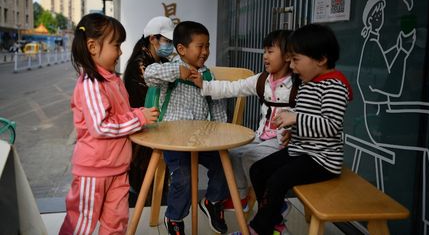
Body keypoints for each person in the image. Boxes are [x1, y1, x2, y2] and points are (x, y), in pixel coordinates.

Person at [244, 24, 353, 235]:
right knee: (258, 170)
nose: (292, 66)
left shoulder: (335, 86)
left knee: (277, 180)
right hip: (301, 151)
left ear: (321, 59)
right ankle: (276, 215)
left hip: (321, 160)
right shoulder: (308, 82)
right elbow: (309, 120)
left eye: (296, 60)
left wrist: (295, 118)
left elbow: (330, 125)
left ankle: (260, 228)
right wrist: (292, 131)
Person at [59, 13, 159, 234]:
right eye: (116, 45)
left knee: (116, 222)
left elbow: (120, 113)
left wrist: (138, 112)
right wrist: (138, 118)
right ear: (93, 46)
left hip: (118, 168)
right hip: (94, 171)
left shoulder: (112, 80)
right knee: (82, 224)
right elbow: (101, 126)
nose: (121, 51)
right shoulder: (91, 84)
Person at [190, 29, 299, 212]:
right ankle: (241, 197)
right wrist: (205, 85)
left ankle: (276, 204)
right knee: (232, 153)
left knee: (250, 157)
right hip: (262, 136)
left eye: (270, 52)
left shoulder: (297, 85)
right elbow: (233, 88)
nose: (265, 56)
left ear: (288, 56)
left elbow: (306, 113)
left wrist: (293, 130)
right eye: (264, 51)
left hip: (282, 143)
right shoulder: (262, 80)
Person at [144, 21, 229, 235]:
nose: (205, 51)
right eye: (200, 46)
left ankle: (212, 201)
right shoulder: (169, 69)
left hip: (200, 138)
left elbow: (217, 108)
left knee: (225, 163)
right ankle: (174, 217)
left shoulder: (208, 75)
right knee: (183, 177)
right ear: (181, 49)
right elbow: (149, 74)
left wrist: (223, 136)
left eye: (207, 46)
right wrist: (176, 70)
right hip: (173, 139)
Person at [123, 16, 175, 203]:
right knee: (146, 177)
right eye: (166, 41)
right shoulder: (141, 65)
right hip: (143, 129)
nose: (170, 45)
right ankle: (149, 201)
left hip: (150, 126)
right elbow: (153, 103)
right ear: (153, 39)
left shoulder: (156, 59)